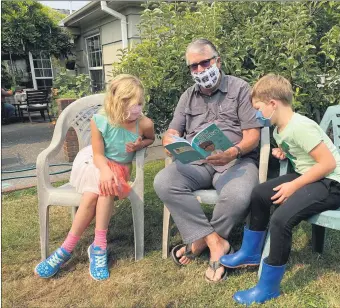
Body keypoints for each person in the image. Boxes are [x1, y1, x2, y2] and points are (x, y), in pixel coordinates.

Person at [220, 74, 340, 305]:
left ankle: (268, 287)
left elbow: (328, 164)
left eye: (258, 108)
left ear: (273, 103)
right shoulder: (280, 129)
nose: (257, 114)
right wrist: (284, 153)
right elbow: (302, 156)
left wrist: (294, 185)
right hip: (311, 177)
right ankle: (250, 253)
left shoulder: (300, 126)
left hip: (332, 184)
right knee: (260, 193)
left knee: (281, 219)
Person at [154, 39, 262, 283]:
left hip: (236, 161)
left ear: (218, 61)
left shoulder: (240, 88)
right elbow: (171, 133)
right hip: (197, 163)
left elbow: (253, 135)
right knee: (164, 181)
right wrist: (170, 142)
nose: (201, 70)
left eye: (205, 62)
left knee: (239, 195)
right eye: (194, 66)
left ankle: (199, 241)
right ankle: (216, 242)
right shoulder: (187, 97)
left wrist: (233, 151)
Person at [34, 74, 155, 281]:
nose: (138, 109)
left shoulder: (144, 123)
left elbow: (150, 139)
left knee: (98, 192)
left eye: (141, 103)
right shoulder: (100, 120)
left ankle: (71, 249)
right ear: (119, 102)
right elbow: (98, 155)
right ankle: (91, 247)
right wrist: (105, 171)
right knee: (100, 190)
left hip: (120, 167)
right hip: (94, 162)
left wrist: (140, 145)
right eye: (134, 104)